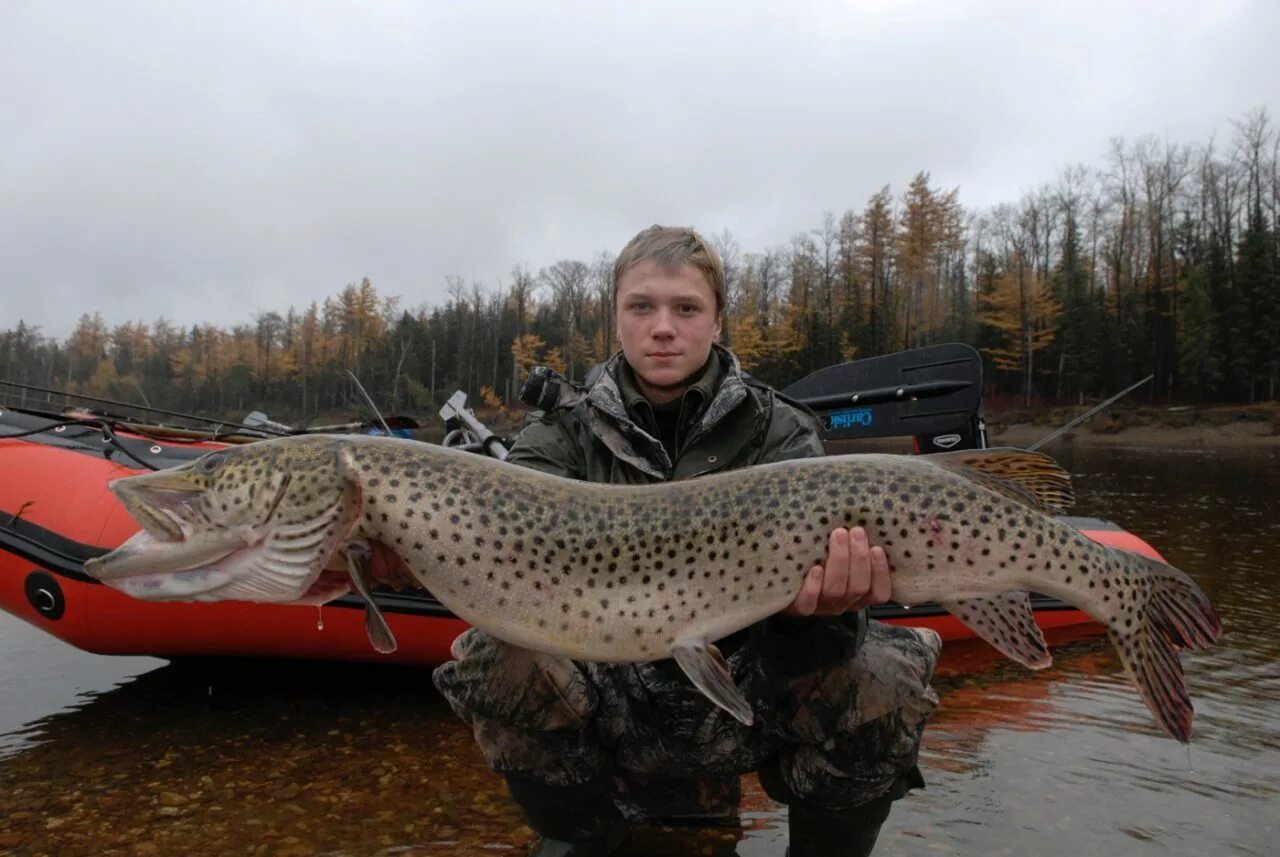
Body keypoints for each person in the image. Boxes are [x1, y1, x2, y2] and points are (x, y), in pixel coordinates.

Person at [425, 226, 940, 857]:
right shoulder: (557, 439)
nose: (662, 327)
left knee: (883, 673)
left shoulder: (780, 433)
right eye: (641, 307)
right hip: (612, 692)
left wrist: (821, 614)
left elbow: (825, 650)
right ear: (616, 320)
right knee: (491, 659)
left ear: (717, 321)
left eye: (686, 308)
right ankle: (590, 839)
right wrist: (417, 559)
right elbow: (506, 565)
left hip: (751, 687)